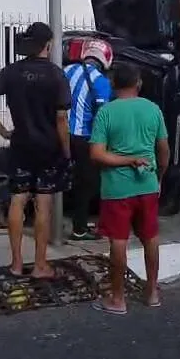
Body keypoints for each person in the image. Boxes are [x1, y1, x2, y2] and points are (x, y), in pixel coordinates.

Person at [0, 22, 72, 279]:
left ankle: (17, 264)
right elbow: (61, 118)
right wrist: (66, 151)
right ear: (48, 45)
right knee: (43, 203)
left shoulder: (11, 72)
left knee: (17, 200)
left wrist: (2, 130)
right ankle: (40, 265)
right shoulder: (56, 75)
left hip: (20, 145)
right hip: (49, 148)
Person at [90, 62, 170, 315]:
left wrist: (125, 160)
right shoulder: (153, 109)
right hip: (147, 184)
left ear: (113, 84)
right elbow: (164, 150)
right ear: (139, 83)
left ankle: (117, 298)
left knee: (119, 240)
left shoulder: (106, 112)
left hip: (117, 188)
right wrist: (159, 175)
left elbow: (97, 154)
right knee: (150, 237)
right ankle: (152, 292)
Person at [63, 39, 113, 241]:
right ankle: (80, 228)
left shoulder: (65, 71)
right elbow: (101, 117)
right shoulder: (101, 82)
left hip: (60, 133)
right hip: (84, 137)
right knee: (87, 183)